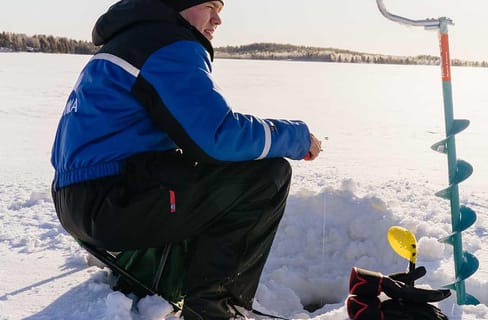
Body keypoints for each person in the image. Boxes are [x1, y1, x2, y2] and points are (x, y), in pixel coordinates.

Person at [50, 0, 322, 318]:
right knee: (265, 176)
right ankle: (215, 307)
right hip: (114, 200)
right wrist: (296, 137)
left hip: (77, 202)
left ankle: (158, 276)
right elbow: (218, 135)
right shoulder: (165, 42)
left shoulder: (127, 41)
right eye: (209, 6)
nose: (217, 19)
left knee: (198, 169)